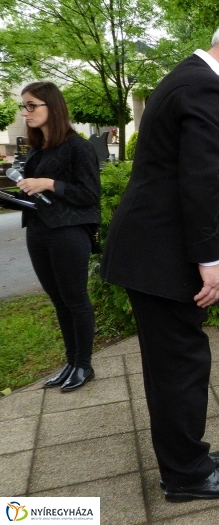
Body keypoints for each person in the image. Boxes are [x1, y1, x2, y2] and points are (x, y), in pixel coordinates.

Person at [100, 19, 219, 503]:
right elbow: (201, 182)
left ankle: (187, 454)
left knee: (172, 364)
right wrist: (209, 260)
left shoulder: (185, 78)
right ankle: (186, 474)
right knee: (181, 365)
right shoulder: (206, 90)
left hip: (153, 253)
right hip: (167, 258)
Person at [0, 82, 100, 392]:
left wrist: (48, 183)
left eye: (32, 106)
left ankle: (84, 365)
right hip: (39, 232)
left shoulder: (78, 147)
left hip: (68, 233)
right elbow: (33, 192)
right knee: (59, 301)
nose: (25, 112)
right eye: (24, 106)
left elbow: (89, 195)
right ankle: (71, 362)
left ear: (52, 108)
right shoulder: (38, 149)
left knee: (75, 300)